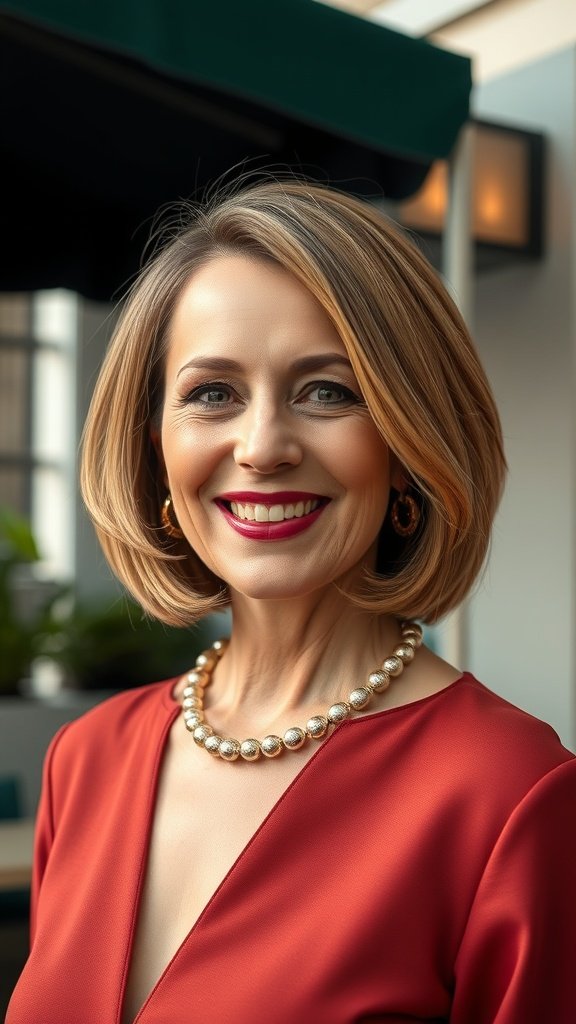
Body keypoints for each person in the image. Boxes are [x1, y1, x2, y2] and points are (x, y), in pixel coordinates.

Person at [7, 179, 576, 1024]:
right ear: (153, 445)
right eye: (212, 394)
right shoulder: (85, 761)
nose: (264, 446)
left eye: (328, 391)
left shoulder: (511, 796)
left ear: (408, 443)